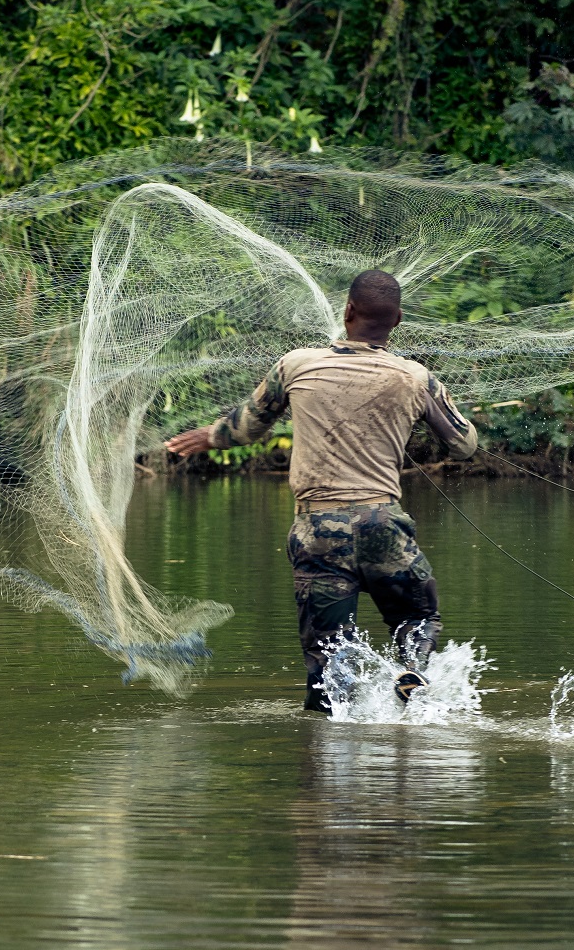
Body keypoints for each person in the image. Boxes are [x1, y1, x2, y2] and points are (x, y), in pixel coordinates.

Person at [163, 270, 478, 712]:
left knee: (328, 667)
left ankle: (325, 745)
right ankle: (410, 669)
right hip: (382, 526)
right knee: (418, 616)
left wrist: (207, 437)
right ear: (398, 320)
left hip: (318, 533)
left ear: (347, 311)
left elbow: (246, 427)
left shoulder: (297, 364)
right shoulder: (415, 377)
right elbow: (463, 445)